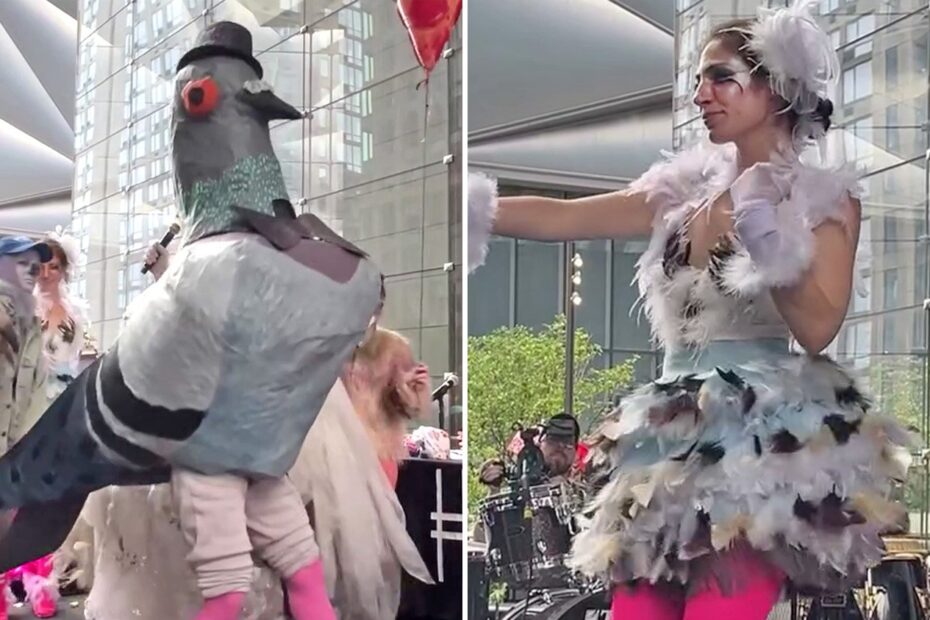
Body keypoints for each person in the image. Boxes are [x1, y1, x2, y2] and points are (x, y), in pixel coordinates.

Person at [468, 2, 912, 618]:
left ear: (776, 89)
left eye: (721, 78)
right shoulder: (682, 194)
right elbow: (565, 216)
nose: (702, 94)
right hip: (668, 435)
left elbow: (817, 328)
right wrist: (473, 208)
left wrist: (767, 242)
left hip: (762, 442)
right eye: (700, 80)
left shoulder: (822, 200)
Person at [0, 236, 56, 619]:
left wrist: (29, 451)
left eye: (35, 265)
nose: (32, 271)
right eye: (21, 262)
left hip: (12, 452)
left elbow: (35, 392)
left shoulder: (32, 324)